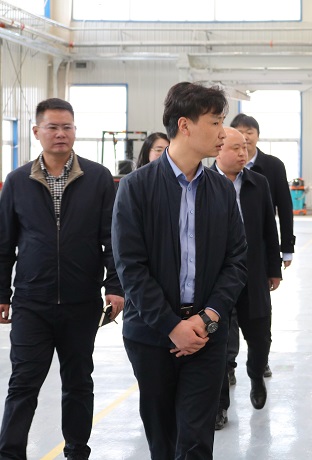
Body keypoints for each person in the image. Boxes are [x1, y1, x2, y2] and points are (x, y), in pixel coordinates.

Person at [111, 82, 248, 459]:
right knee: (163, 439)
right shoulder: (136, 188)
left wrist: (209, 317)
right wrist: (172, 326)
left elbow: (236, 261)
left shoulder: (221, 190)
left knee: (197, 441)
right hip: (152, 335)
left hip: (207, 335)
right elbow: (131, 267)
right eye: (215, 122)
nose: (223, 133)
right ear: (185, 125)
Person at [0, 98, 124, 460]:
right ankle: (9, 454)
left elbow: (112, 239)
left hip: (81, 302)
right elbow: (4, 244)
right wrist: (2, 293)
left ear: (75, 131)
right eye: (52, 127)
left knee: (78, 383)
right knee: (23, 384)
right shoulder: (18, 181)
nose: (60, 133)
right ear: (36, 132)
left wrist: (115, 287)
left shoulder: (98, 178)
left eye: (67, 127)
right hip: (31, 302)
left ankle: (76, 452)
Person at [212, 127, 282, 430]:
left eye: (245, 147)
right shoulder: (205, 182)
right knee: (217, 344)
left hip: (253, 273)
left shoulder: (258, 183)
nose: (244, 153)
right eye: (236, 148)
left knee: (260, 335)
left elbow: (269, 227)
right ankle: (219, 406)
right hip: (217, 277)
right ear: (218, 150)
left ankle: (255, 375)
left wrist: (273, 269)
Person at [229, 113, 295, 380]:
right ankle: (228, 365)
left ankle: (259, 363)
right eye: (239, 132)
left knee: (258, 315)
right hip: (228, 259)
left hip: (258, 253)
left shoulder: (271, 167)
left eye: (250, 132)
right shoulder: (216, 171)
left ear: (257, 135)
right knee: (227, 316)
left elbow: (283, 210)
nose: (245, 137)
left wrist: (285, 249)